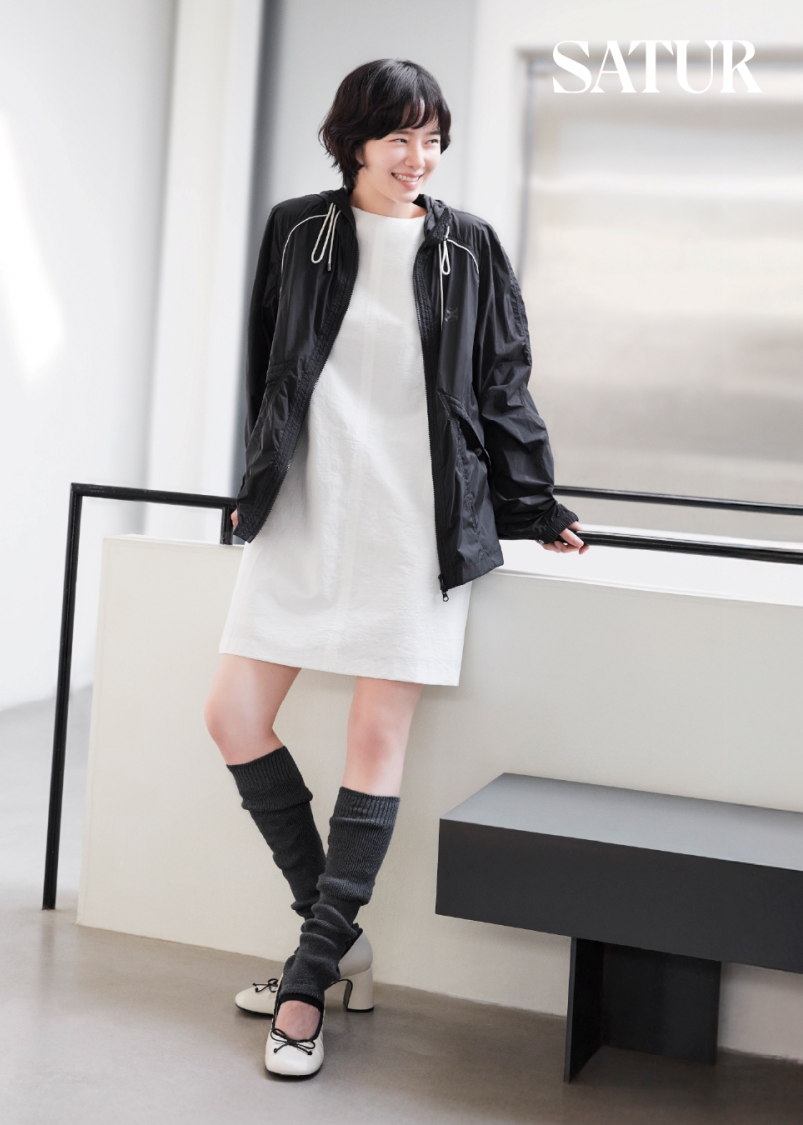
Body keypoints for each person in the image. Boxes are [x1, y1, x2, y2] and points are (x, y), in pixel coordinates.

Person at [204, 58, 587, 1078]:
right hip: (306, 509)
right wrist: (250, 480)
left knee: (374, 740)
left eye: (433, 140)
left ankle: (306, 983)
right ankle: (335, 944)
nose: (418, 159)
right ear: (354, 142)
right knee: (233, 715)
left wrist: (534, 504)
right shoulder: (299, 229)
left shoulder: (469, 246)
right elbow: (267, 367)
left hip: (416, 520)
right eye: (398, 139)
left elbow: (503, 380)